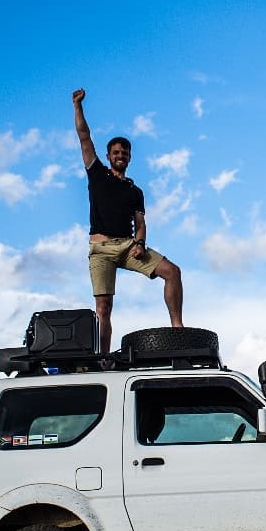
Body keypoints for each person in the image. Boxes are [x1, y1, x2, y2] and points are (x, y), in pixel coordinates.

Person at [73, 88, 183, 353]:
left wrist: (141, 243)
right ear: (109, 156)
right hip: (101, 249)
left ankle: (178, 329)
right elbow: (84, 137)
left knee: (172, 272)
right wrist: (78, 106)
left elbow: (140, 222)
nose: (120, 156)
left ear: (129, 157)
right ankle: (103, 357)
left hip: (128, 246)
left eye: (125, 153)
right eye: (116, 152)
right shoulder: (97, 173)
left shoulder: (135, 191)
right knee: (104, 307)